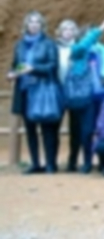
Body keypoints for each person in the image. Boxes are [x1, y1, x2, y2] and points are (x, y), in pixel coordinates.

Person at [57, 19, 104, 173]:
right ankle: (74, 161)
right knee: (76, 131)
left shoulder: (97, 51)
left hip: (90, 97)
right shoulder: (77, 50)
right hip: (75, 96)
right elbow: (84, 44)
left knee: (87, 130)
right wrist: (100, 28)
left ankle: (88, 161)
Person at [9, 12, 60, 174]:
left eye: (37, 22)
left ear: (42, 25)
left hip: (43, 90)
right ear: (26, 25)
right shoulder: (20, 45)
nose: (34, 25)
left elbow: (53, 66)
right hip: (24, 90)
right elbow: (16, 64)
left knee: (47, 128)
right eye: (31, 22)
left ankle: (50, 163)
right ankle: (35, 163)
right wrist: (12, 73)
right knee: (30, 129)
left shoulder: (49, 43)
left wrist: (34, 69)